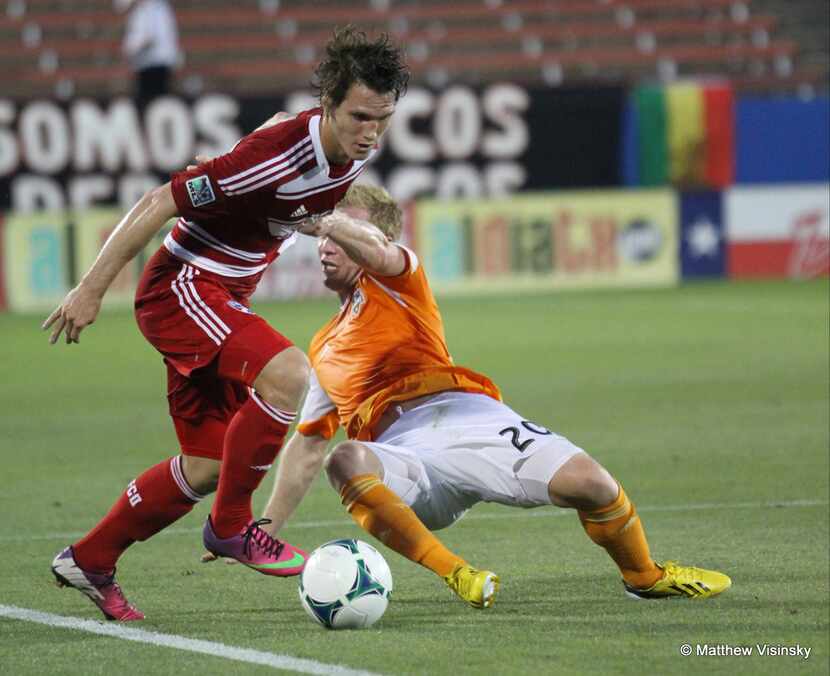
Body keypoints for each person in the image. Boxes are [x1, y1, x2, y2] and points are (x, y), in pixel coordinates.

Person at [43, 27, 409, 622]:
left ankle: (90, 558)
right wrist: (91, 289)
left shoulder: (338, 150)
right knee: (291, 375)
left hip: (220, 294)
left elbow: (273, 131)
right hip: (182, 287)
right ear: (329, 106)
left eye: (383, 119)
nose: (371, 132)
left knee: (213, 463)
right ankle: (234, 528)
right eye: (360, 116)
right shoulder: (277, 157)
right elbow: (161, 201)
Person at [227, 184, 732, 609]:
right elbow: (308, 445)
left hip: (472, 419)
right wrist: (262, 528)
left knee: (593, 485)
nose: (327, 242)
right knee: (345, 457)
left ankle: (644, 576)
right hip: (404, 456)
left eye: (343, 230)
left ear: (374, 237)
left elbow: (378, 253)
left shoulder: (399, 277)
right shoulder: (322, 345)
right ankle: (458, 573)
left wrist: (323, 217)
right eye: (325, 233)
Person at [116, 0, 181, 110]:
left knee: (153, 104)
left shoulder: (149, 9)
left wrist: (129, 50)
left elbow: (148, 38)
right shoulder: (153, 8)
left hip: (153, 65)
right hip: (152, 64)